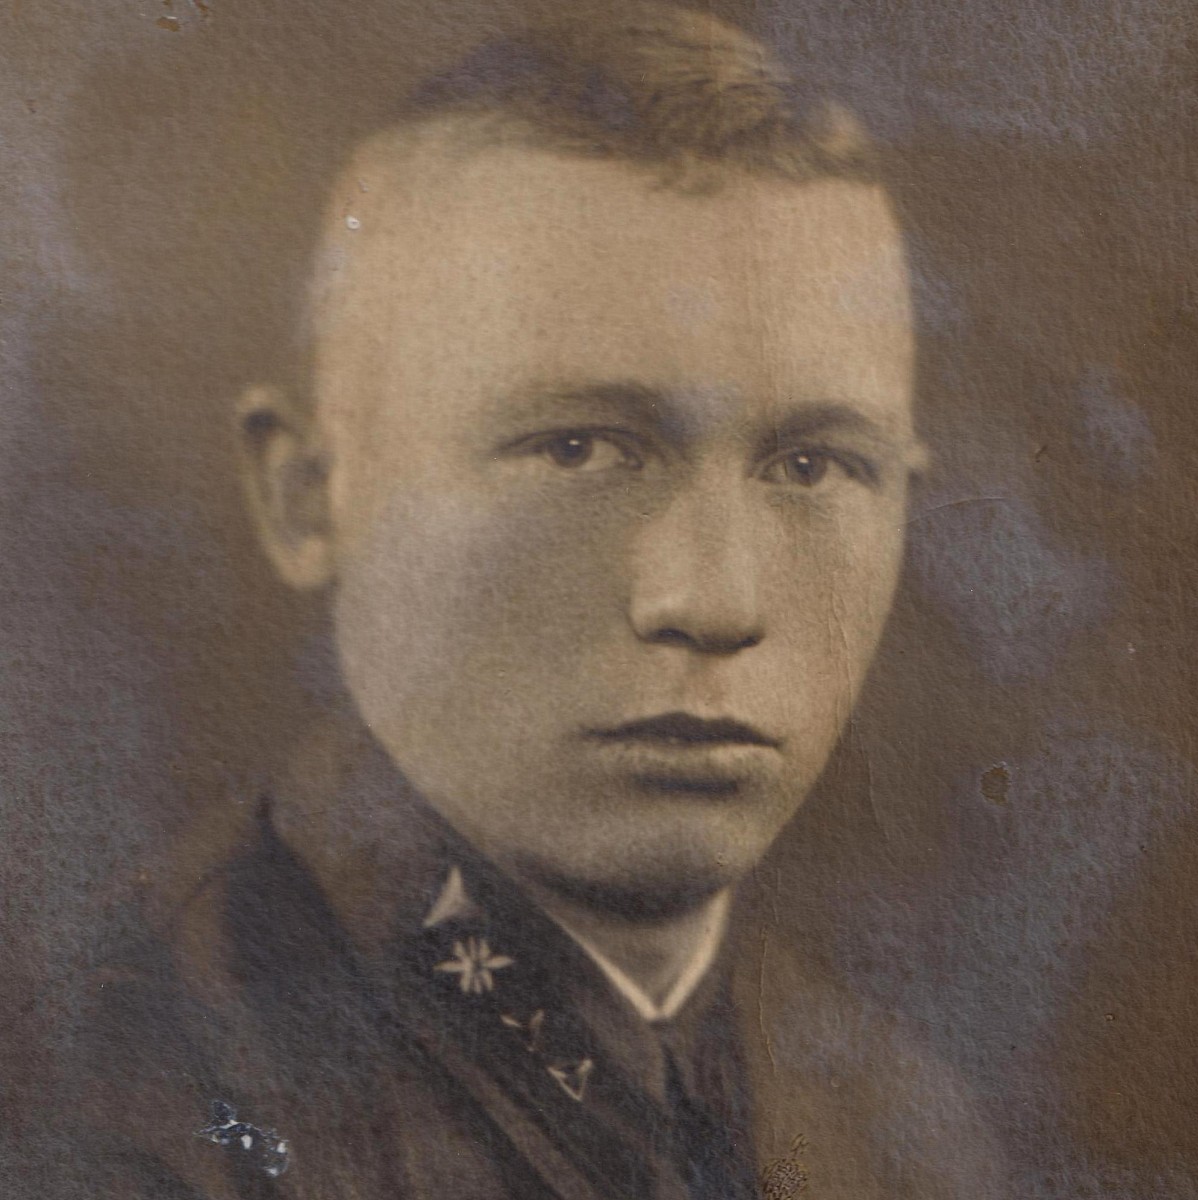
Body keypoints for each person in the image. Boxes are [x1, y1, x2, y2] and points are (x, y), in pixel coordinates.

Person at [60, 5, 1004, 1197]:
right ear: (308, 495)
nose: (714, 602)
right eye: (581, 451)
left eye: (813, 465)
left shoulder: (904, 1129)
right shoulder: (103, 1100)